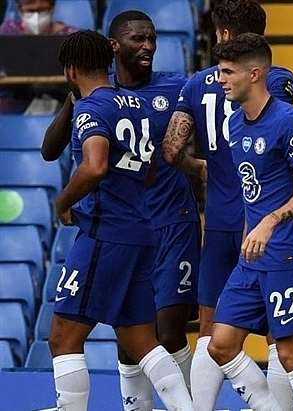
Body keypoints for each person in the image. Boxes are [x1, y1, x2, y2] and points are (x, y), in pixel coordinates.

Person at [42, 11, 200, 411]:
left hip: (105, 233)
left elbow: (94, 166)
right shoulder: (134, 106)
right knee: (140, 339)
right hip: (141, 228)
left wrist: (63, 202)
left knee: (62, 337)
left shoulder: (94, 108)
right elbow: (152, 166)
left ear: (71, 69)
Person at [162, 1, 293, 409]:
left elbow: (170, 151)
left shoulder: (196, 84)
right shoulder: (276, 78)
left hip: (220, 217)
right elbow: (276, 127)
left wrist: (199, 166)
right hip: (263, 217)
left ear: (222, 34)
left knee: (209, 326)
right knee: (280, 328)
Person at [204, 33, 293, 410]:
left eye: (227, 72)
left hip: (288, 255)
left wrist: (270, 222)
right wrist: (248, 237)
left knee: (290, 354)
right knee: (220, 344)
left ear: (254, 74)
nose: (220, 80)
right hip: (251, 259)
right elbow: (251, 192)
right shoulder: (235, 124)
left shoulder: (288, 122)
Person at [0, 0, 76, 35]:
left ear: (52, 8)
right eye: (30, 11)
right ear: (19, 9)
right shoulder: (8, 30)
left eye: (42, 10)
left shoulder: (68, 34)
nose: (36, 16)